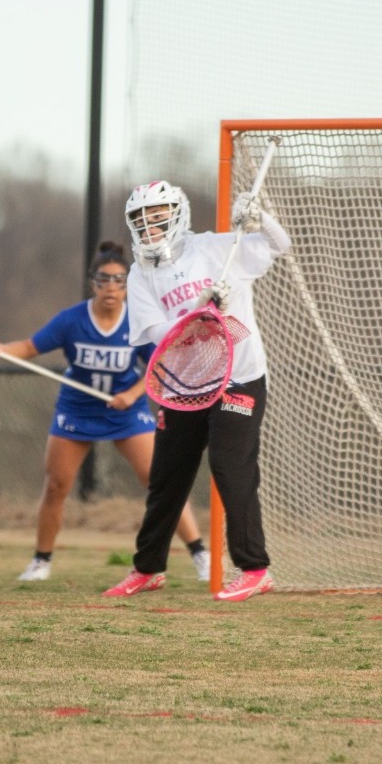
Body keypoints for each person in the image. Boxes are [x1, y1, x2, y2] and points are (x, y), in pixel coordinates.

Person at [0, 241, 209, 582]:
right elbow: (29, 347)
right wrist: (0, 349)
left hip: (126, 413)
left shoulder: (138, 322)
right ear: (93, 283)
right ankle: (41, 561)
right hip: (77, 409)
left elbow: (158, 366)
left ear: (128, 285)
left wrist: (131, 395)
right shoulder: (72, 320)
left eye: (119, 281)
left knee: (160, 481)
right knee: (57, 485)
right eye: (104, 280)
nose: (112, 288)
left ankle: (199, 553)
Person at [102, 180, 289, 603]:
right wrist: (201, 309)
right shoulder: (140, 273)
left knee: (229, 464)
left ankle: (255, 568)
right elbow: (152, 332)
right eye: (140, 219)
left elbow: (280, 244)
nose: (149, 225)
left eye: (157, 216)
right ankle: (147, 568)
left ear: (177, 214)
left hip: (239, 376)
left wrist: (262, 219)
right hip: (185, 383)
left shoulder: (215, 248)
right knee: (167, 476)